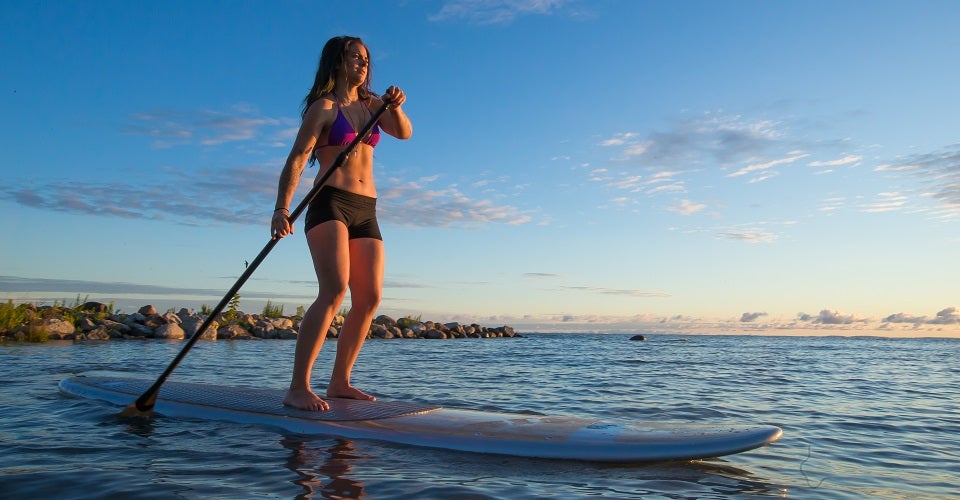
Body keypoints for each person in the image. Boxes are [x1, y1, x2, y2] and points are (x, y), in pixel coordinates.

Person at [271, 36, 412, 411]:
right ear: (337, 62)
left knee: (369, 298)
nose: (363, 64)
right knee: (334, 291)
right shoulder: (324, 107)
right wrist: (281, 209)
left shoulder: (373, 104)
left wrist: (394, 105)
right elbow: (298, 158)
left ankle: (340, 382)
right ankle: (298, 387)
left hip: (367, 208)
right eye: (355, 57)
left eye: (366, 59)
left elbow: (404, 132)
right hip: (329, 202)